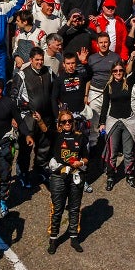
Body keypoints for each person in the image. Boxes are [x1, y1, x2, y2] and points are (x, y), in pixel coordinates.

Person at [46, 107, 88, 253]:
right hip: (58, 176)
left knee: (75, 208)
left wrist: (80, 163)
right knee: (57, 209)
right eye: (64, 122)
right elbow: (44, 129)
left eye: (70, 121)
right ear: (60, 124)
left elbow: (86, 157)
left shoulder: (80, 137)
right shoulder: (56, 136)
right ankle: (53, 239)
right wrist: (38, 120)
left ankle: (74, 238)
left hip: (76, 175)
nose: (67, 123)